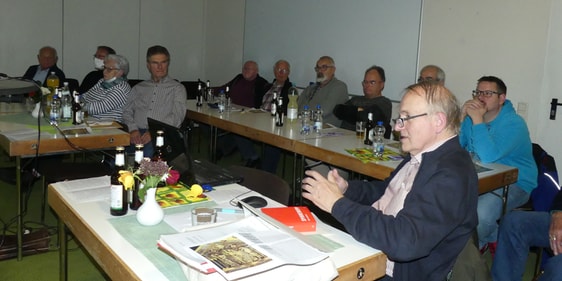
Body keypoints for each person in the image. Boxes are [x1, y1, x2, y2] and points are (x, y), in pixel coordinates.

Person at [302, 81, 478, 280]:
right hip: (373, 249)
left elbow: (404, 241)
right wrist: (347, 189)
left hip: (393, 272)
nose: (396, 126)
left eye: (406, 118)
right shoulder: (423, 155)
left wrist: (337, 204)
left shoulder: (452, 174)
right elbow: (387, 191)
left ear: (438, 121)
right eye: (398, 118)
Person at [459, 76, 537, 252]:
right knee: (446, 203)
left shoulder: (514, 123)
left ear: (501, 99)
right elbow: (455, 148)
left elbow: (487, 156)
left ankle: (474, 251)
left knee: (481, 215)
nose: (480, 97)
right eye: (478, 92)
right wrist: (462, 118)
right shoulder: (472, 119)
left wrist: (477, 120)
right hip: (481, 178)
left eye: (488, 93)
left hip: (515, 183)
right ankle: (492, 236)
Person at [122, 45, 187, 157]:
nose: (160, 67)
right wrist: (132, 129)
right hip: (136, 132)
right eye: (155, 63)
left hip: (162, 134)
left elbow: (177, 117)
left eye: (163, 62)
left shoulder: (177, 88)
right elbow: (126, 111)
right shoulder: (138, 88)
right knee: (117, 158)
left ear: (168, 63)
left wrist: (154, 132)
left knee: (144, 159)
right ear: (148, 65)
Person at [214, 60, 270, 167]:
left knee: (237, 129)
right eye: (244, 68)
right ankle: (224, 148)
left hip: (250, 116)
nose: (245, 71)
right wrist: (210, 89)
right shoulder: (238, 78)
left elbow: (261, 106)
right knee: (210, 121)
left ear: (256, 71)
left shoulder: (262, 83)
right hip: (231, 111)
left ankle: (252, 157)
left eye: (249, 69)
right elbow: (224, 88)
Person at [333, 65, 392, 138]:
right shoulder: (356, 99)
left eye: (372, 82)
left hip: (365, 144)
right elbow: (338, 110)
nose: (367, 85)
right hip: (341, 138)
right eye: (365, 82)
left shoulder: (384, 103)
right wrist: (360, 111)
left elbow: (368, 118)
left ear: (382, 85)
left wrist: (352, 112)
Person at [298, 56, 348, 127]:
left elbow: (324, 110)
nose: (320, 71)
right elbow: (297, 105)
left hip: (326, 130)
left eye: (324, 67)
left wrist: (303, 113)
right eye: (318, 68)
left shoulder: (339, 86)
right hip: (305, 124)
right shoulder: (311, 87)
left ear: (333, 70)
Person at [81, 54, 131, 122]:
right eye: (104, 68)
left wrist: (79, 106)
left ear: (120, 72)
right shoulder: (102, 81)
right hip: (91, 121)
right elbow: (85, 96)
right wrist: (80, 103)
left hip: (110, 126)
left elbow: (99, 108)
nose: (104, 71)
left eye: (109, 69)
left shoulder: (122, 88)